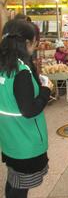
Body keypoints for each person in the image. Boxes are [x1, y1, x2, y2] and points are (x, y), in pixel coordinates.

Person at [0, 19, 53, 198]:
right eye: (35, 43)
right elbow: (29, 110)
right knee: (19, 188)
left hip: (9, 137)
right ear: (27, 43)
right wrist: (46, 90)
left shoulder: (4, 67)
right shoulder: (21, 72)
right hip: (25, 141)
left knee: (13, 181)